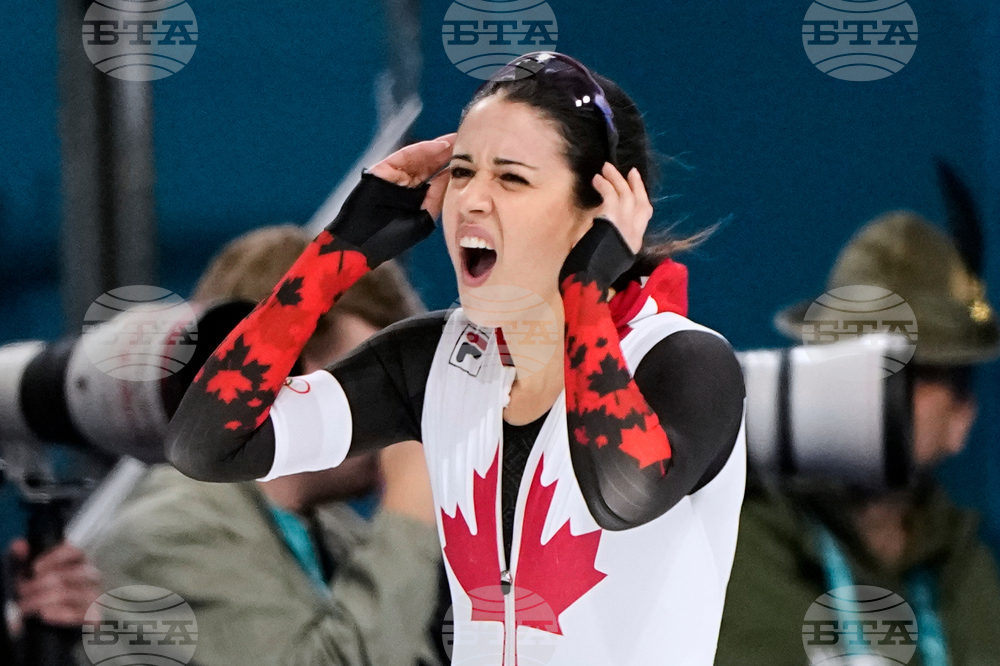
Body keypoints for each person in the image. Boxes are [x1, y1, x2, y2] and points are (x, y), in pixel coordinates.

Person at [167, 52, 747, 665]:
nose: (471, 200)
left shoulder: (682, 361)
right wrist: (336, 253)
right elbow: (207, 445)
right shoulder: (434, 362)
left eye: (511, 178)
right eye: (463, 172)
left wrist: (583, 290)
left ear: (599, 210)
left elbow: (621, 494)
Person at [14, 225, 447, 666]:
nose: (398, 410)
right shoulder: (174, 531)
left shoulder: (327, 534)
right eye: (382, 379)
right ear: (290, 367)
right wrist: (410, 507)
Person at [715, 211, 1000, 665]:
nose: (880, 392)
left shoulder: (967, 572)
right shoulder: (739, 547)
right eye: (856, 364)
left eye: (913, 372)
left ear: (960, 417)